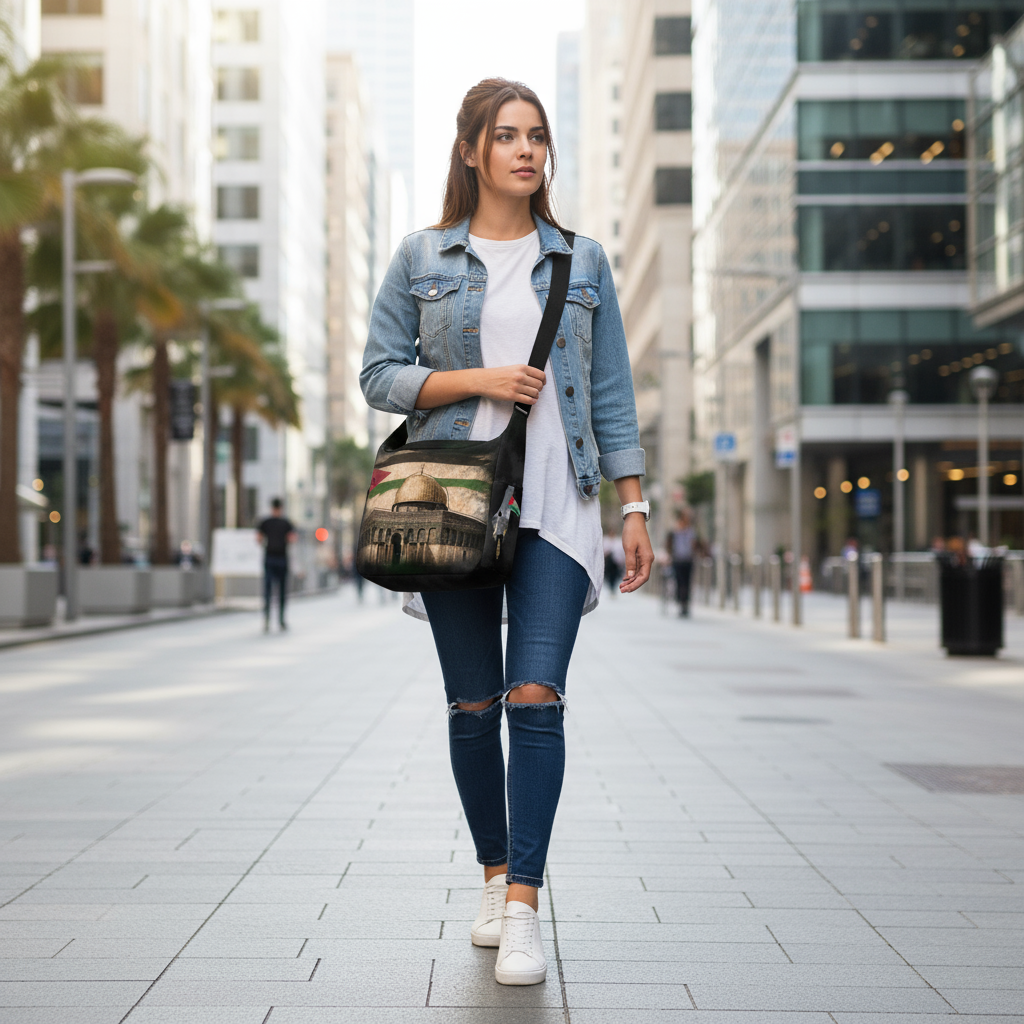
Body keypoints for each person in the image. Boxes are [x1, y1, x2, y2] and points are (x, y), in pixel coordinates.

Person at [360, 78, 654, 987]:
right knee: (472, 706)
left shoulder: (582, 259)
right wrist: (479, 381)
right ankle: (492, 873)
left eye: (537, 137)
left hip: (559, 509)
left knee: (536, 697)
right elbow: (380, 375)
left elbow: (608, 393)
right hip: (454, 506)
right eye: (507, 136)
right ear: (471, 151)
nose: (526, 151)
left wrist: (634, 505)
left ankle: (523, 903)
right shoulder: (423, 256)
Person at [257, 498, 296, 632]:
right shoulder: (286, 523)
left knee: (267, 590)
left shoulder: (265, 522)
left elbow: (258, 539)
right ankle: (281, 620)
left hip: (269, 558)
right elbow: (292, 539)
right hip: (282, 558)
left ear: (271, 507)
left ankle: (267, 619)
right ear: (281, 508)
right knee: (282, 591)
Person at [667, 509, 695, 616]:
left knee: (687, 583)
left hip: (688, 560)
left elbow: (695, 544)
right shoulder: (674, 531)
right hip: (677, 560)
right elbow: (669, 545)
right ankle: (681, 601)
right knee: (679, 582)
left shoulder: (691, 531)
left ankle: (685, 603)